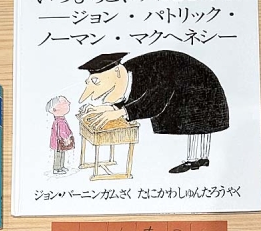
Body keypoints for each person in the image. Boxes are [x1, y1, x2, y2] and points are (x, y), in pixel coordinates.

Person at [77, 51, 229, 174]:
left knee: (197, 124)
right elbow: (135, 94)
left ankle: (194, 160)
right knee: (199, 127)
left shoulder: (143, 70)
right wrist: (110, 108)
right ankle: (201, 159)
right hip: (188, 88)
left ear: (116, 72)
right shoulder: (130, 71)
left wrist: (121, 112)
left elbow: (155, 99)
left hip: (199, 88)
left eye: (96, 81)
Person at [47, 96, 74, 174]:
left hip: (60, 142)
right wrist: (66, 138)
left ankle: (61, 167)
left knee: (62, 154)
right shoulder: (60, 121)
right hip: (59, 142)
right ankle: (56, 168)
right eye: (64, 102)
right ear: (55, 109)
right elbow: (61, 132)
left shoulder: (61, 119)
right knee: (58, 155)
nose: (68, 103)